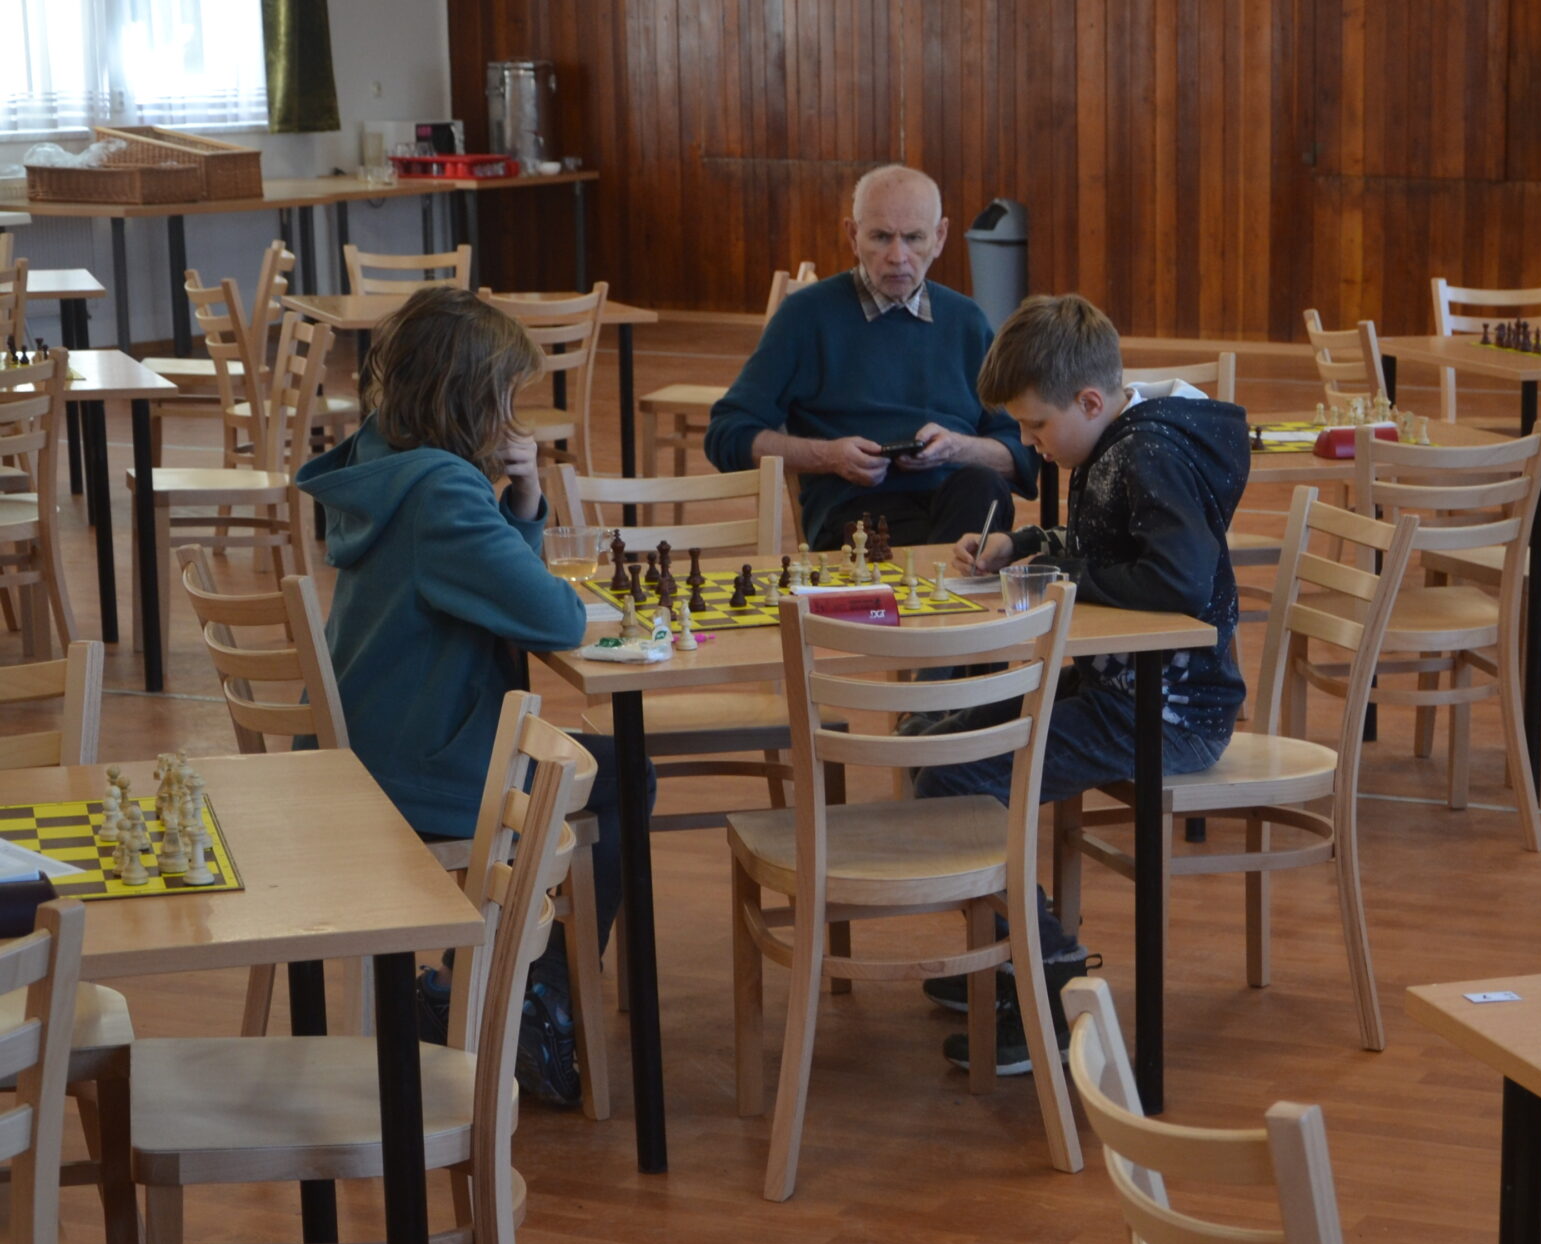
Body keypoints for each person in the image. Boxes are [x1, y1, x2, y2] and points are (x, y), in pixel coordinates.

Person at [298, 286, 650, 1107]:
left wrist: (520, 502)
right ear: (470, 399)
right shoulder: (442, 493)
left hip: (364, 750)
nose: (512, 415)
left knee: (598, 767)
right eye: (505, 395)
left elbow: (488, 587)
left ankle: (473, 987)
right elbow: (553, 616)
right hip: (417, 768)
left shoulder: (380, 463)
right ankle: (529, 1002)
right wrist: (510, 503)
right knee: (624, 772)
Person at [915, 293, 1249, 1074]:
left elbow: (1174, 580)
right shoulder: (1112, 441)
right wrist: (1025, 542)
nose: (1030, 443)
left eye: (1035, 426)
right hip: (1122, 692)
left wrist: (1060, 572)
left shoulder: (1148, 452)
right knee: (929, 742)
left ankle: (1050, 974)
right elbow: (1109, 540)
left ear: (1090, 402)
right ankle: (1009, 951)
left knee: (953, 778)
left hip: (1168, 713)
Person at [704, 164, 1034, 551]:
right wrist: (828, 456)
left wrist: (957, 448)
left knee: (982, 487)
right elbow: (727, 435)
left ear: (940, 237)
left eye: (914, 238)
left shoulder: (966, 320)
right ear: (853, 235)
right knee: (942, 551)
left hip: (958, 502)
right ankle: (946, 584)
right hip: (857, 512)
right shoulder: (805, 316)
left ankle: (943, 582)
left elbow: (1022, 450)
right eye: (881, 237)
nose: (898, 256)